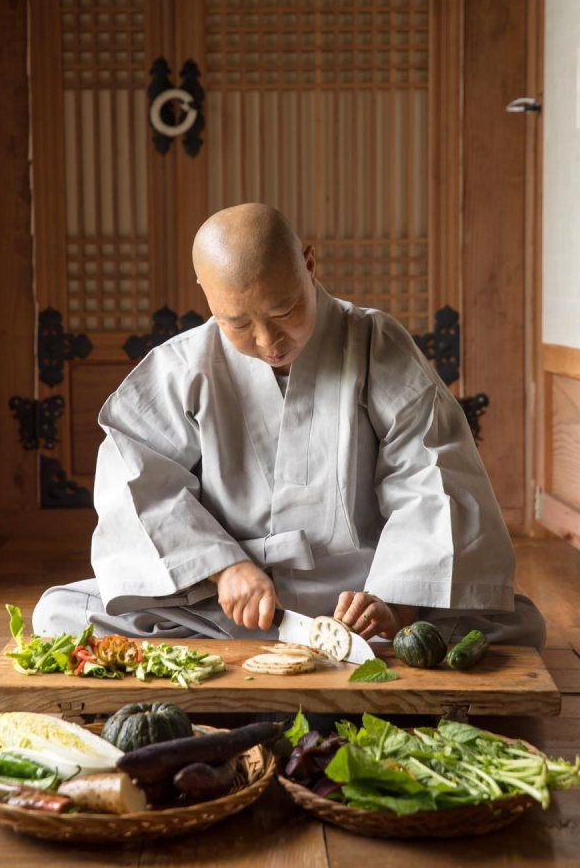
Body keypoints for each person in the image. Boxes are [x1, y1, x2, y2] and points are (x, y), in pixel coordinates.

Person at [33, 204, 546, 650]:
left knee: (514, 625)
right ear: (207, 297)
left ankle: (368, 631)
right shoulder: (185, 364)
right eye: (237, 323)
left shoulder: (374, 343)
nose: (267, 341)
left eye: (284, 310)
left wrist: (397, 604)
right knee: (60, 614)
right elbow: (135, 475)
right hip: (234, 600)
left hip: (365, 594)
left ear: (309, 263)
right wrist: (221, 565)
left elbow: (433, 477)